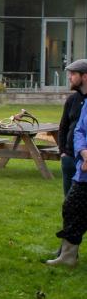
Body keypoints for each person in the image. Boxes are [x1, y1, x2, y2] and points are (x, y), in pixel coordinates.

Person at [48, 97, 87, 267]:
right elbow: (79, 130)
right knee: (71, 206)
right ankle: (68, 256)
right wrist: (83, 151)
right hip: (83, 169)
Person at [59, 59, 87, 197]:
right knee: (69, 203)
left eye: (73, 74)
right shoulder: (72, 100)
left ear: (84, 76)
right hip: (69, 158)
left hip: (85, 159)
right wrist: (63, 152)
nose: (69, 77)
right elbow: (63, 127)